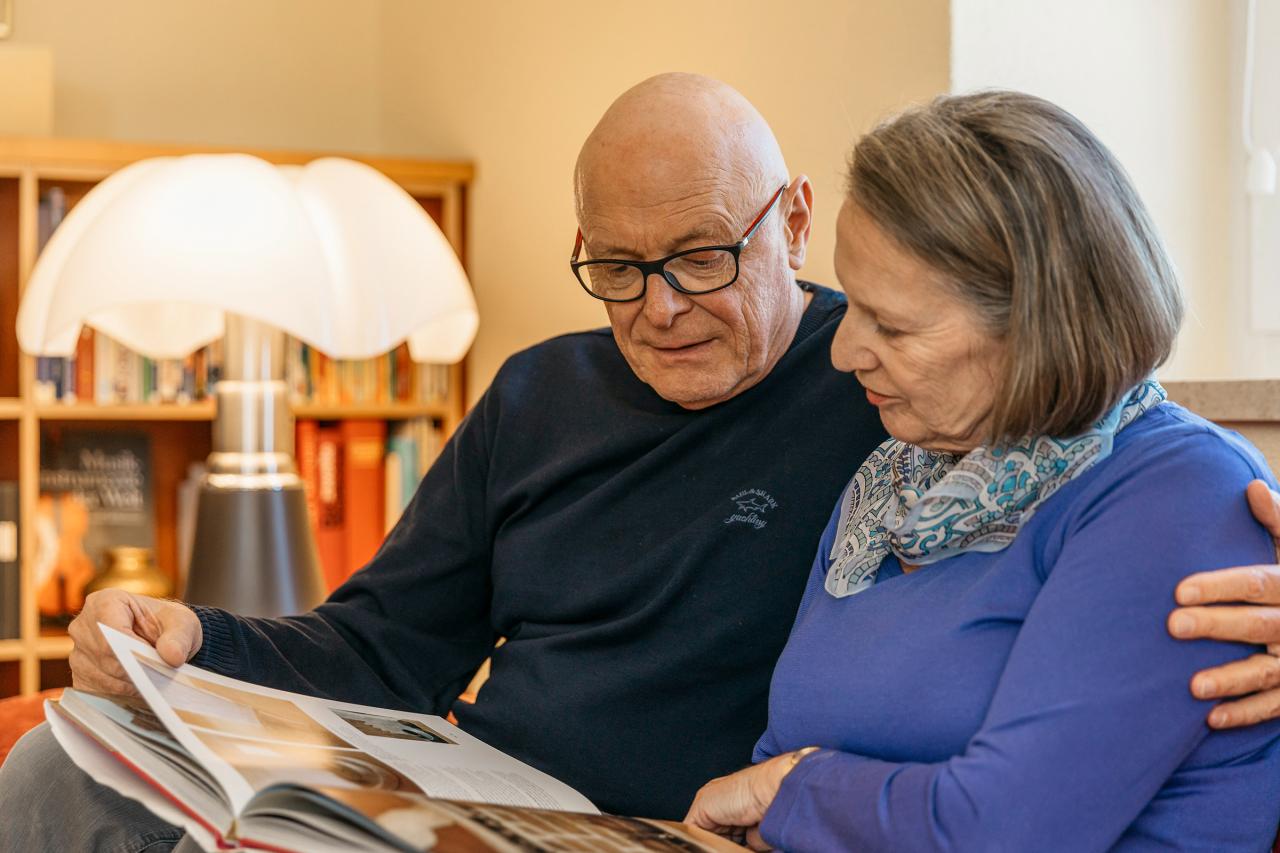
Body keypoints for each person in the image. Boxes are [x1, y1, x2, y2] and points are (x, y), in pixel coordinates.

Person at [1, 74, 1278, 852]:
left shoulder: (900, 402)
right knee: (62, 762)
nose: (659, 307)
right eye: (616, 268)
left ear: (789, 223)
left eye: (700, 259)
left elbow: (1123, 445)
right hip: (480, 790)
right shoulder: (554, 395)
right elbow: (388, 639)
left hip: (659, 822)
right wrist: (194, 639)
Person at [684, 90, 1280, 851]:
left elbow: (1007, 829)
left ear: (1038, 324)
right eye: (853, 306)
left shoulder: (1180, 493)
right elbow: (780, 762)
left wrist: (793, 788)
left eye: (891, 325)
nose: (843, 352)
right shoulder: (891, 483)